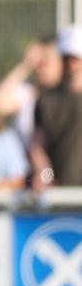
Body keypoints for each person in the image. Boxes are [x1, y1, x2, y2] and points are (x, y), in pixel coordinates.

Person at [30, 25, 82, 189]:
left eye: (76, 58)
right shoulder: (46, 100)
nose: (73, 65)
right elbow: (38, 145)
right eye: (67, 58)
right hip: (60, 195)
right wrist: (45, 175)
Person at [0, 38, 62, 148]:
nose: (40, 68)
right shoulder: (28, 93)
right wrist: (27, 64)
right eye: (38, 63)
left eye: (46, 62)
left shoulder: (70, 97)